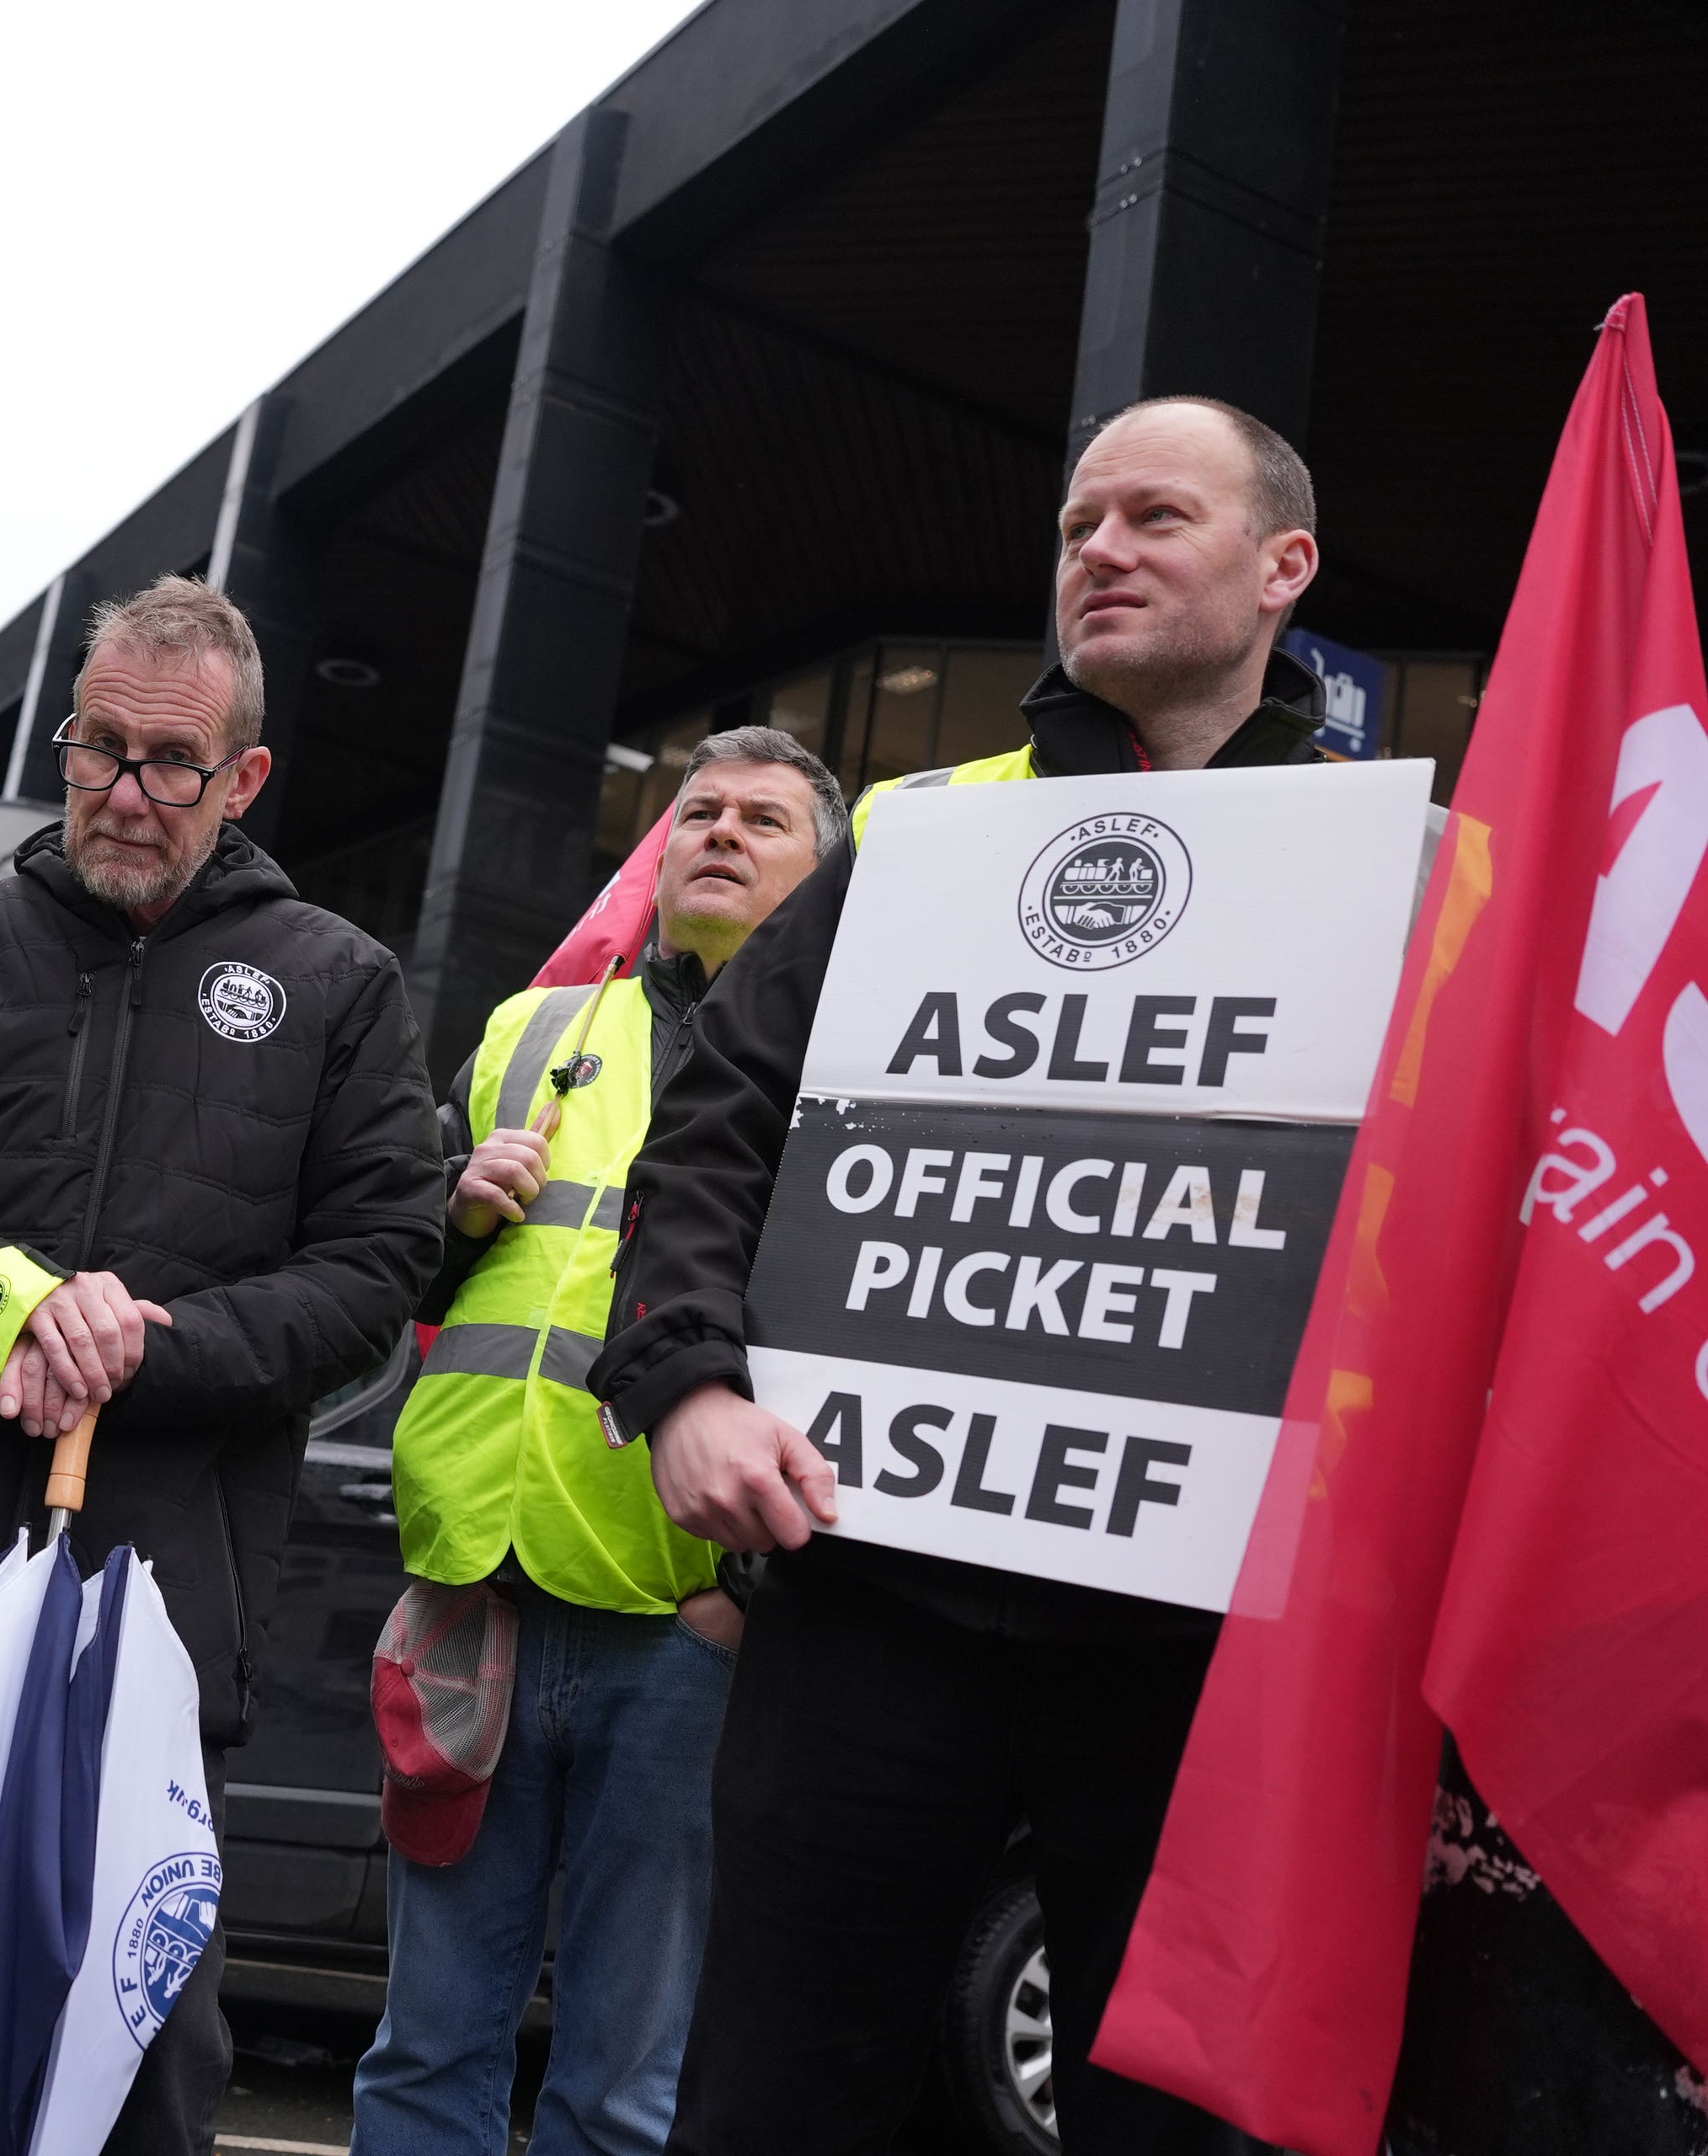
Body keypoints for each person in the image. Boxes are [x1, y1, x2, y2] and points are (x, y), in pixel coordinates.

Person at [588, 396, 1329, 2155]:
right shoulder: (921, 836)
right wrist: (686, 1378)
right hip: (878, 1604)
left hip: (1210, 1655)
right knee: (777, 2105)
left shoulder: (1397, 863)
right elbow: (716, 1125)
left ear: (1284, 566)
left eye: (1158, 515)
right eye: (1081, 523)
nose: (1103, 550)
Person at [0, 574, 443, 2153]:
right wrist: (1, 1299)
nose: (126, 795)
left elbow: (373, 1268)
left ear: (246, 778)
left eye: (170, 763)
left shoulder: (340, 987)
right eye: (97, 749)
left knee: (130, 2072)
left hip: (156, 1613)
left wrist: (155, 1341)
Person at [350, 727, 845, 2156]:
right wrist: (448, 1210)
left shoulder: (856, 1055)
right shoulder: (534, 1030)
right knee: (425, 2053)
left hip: (679, 1631)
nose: (722, 834)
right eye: (698, 812)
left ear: (823, 878)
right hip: (478, 1601)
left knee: (626, 2091)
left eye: (764, 820)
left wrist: (743, 1603)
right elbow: (401, 1281)